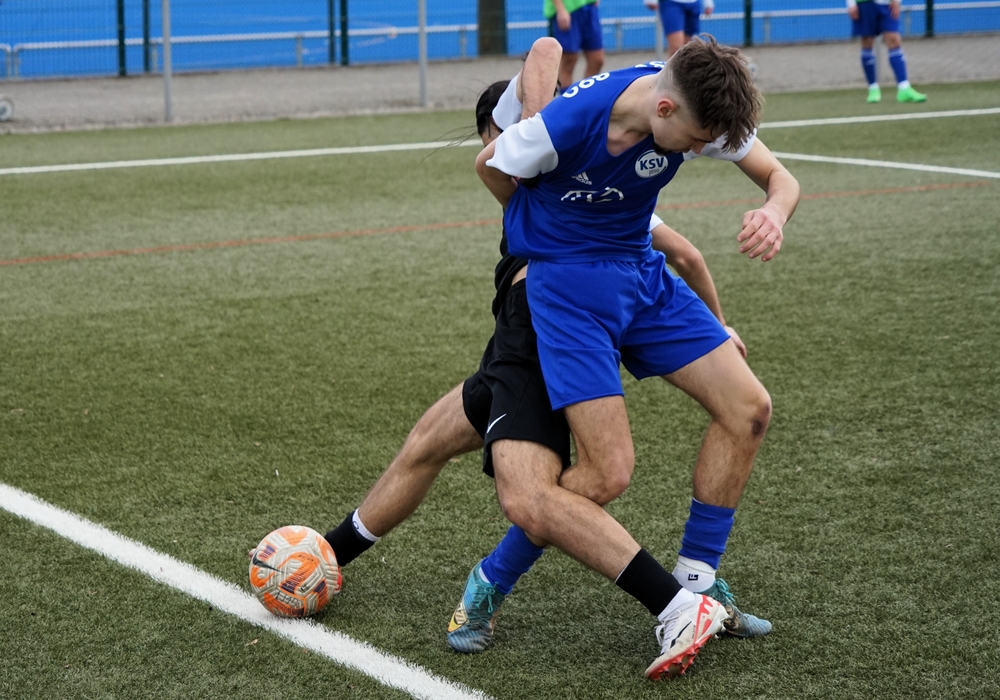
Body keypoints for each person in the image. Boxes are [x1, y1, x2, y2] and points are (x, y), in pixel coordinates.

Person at [322, 37, 760, 679]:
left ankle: (671, 600)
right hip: (519, 338)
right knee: (431, 441)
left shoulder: (564, 174)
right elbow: (681, 251)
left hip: (540, 331)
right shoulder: (566, 175)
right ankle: (330, 553)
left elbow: (545, 62)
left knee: (549, 492)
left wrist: (717, 328)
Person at [475, 34, 800, 677]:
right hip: (567, 291)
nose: (702, 151)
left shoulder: (695, 100)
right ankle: (492, 577)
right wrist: (542, 228)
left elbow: (779, 177)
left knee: (749, 408)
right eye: (697, 141)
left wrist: (775, 211)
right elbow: (490, 165)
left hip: (641, 276)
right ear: (664, 111)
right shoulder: (566, 125)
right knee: (607, 474)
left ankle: (697, 584)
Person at [847, 0, 927, 103]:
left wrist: (897, 1)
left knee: (894, 39)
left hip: (887, 3)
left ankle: (904, 88)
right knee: (867, 41)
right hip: (865, 3)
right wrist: (851, 4)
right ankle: (873, 89)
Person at [545, 0, 605, 93]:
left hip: (589, 7)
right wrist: (561, 10)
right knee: (569, 60)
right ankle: (567, 99)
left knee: (597, 60)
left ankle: (585, 97)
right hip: (567, 9)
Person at [643, 0, 714, 57]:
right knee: (676, 49)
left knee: (688, 49)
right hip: (671, 3)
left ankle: (684, 70)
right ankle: (671, 70)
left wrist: (708, 2)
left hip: (693, 4)